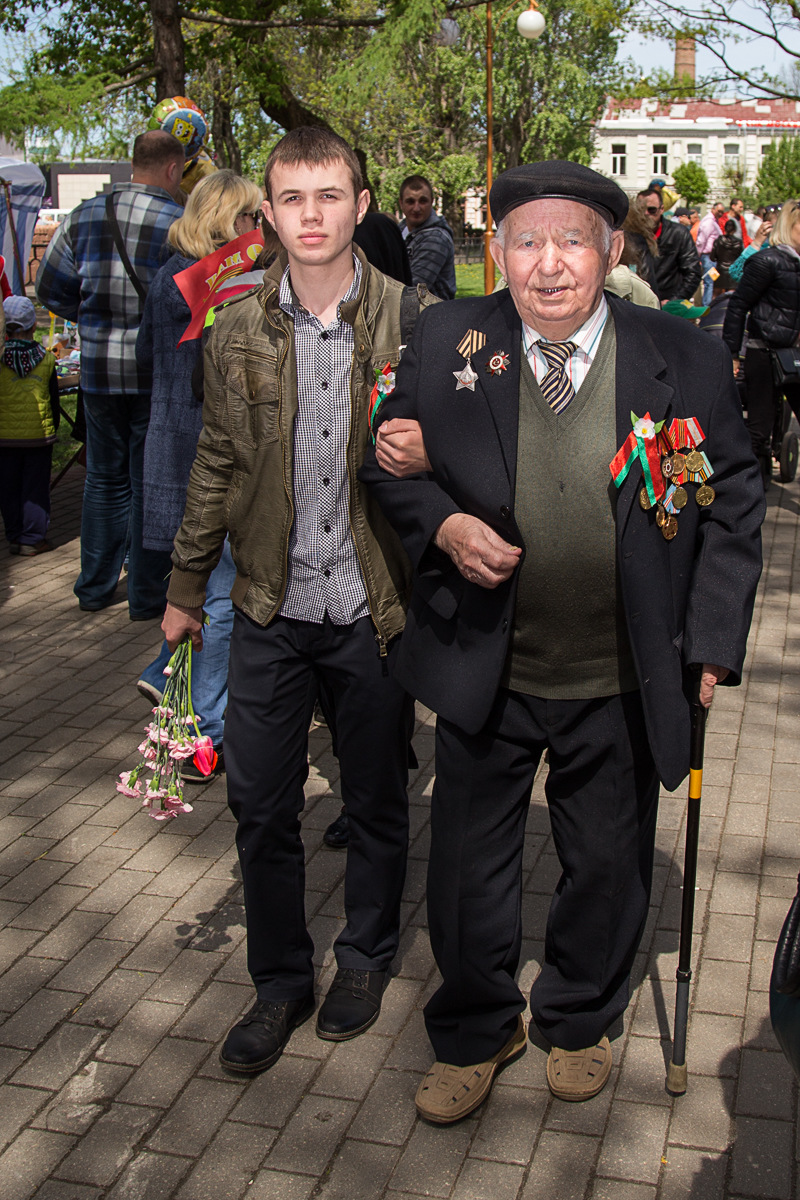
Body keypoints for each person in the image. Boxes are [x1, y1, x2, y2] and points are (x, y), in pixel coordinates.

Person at [363, 160, 764, 1122]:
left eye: (572, 241)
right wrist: (442, 525)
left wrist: (710, 638)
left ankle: (578, 1014)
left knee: (607, 858)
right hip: (485, 664)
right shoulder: (447, 338)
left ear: (611, 249)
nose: (549, 267)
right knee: (466, 867)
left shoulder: (684, 356)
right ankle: (475, 1025)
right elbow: (387, 453)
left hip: (623, 667)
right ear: (495, 250)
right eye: (527, 242)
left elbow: (737, 498)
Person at [161, 126, 437, 1075]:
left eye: (331, 196)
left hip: (373, 605)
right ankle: (279, 981)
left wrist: (432, 455)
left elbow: (474, 458)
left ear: (361, 205)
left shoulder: (422, 321)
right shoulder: (236, 326)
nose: (312, 216)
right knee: (259, 804)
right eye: (294, 199)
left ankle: (363, 956)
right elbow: (216, 462)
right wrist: (187, 587)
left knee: (374, 799)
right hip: (273, 605)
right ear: (267, 213)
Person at [135, 170, 264, 781]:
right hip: (212, 457)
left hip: (170, 447)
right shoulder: (227, 283)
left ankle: (163, 666)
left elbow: (146, 361)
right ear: (228, 220)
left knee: (201, 587)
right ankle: (205, 734)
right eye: (250, 218)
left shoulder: (166, 280)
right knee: (219, 596)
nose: (257, 230)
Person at [36, 130, 185, 618]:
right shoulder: (178, 222)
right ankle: (145, 596)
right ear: (171, 169)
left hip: (98, 371)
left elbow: (49, 287)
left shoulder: (82, 216)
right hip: (153, 372)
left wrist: (92, 319)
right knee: (148, 482)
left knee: (102, 479)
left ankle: (94, 587)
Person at [723, 198, 800, 483]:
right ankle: (752, 491)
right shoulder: (767, 262)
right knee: (759, 427)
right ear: (788, 226)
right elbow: (738, 305)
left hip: (792, 356)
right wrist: (731, 353)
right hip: (764, 354)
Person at [0, 296, 59, 556]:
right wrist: (53, 427)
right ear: (33, 326)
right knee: (35, 487)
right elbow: (54, 400)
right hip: (38, 436)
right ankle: (33, 538)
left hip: (4, 437)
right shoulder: (45, 359)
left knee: (8, 486)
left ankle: (13, 534)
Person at [638, 186, 702, 302]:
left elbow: (693, 272)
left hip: (667, 304)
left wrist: (674, 301)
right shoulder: (629, 235)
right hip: (636, 305)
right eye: (640, 210)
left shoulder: (679, 233)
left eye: (651, 210)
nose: (646, 214)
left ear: (661, 209)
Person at [399, 175, 456, 300]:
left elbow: (413, 289)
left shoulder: (436, 239)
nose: (416, 208)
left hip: (432, 315)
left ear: (432, 202)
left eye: (423, 201)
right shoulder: (399, 230)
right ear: (401, 203)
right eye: (410, 201)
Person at [696, 201, 726, 305]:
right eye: (719, 211)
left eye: (722, 212)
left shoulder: (714, 221)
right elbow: (701, 240)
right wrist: (698, 255)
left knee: (712, 282)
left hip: (712, 258)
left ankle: (709, 305)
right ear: (713, 209)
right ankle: (707, 307)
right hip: (708, 257)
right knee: (709, 282)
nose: (720, 214)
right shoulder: (708, 222)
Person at [710, 218, 743, 294]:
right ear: (734, 230)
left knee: (716, 295)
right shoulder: (738, 242)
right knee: (732, 296)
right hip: (733, 271)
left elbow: (712, 257)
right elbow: (741, 258)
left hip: (720, 270)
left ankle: (714, 306)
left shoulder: (718, 241)